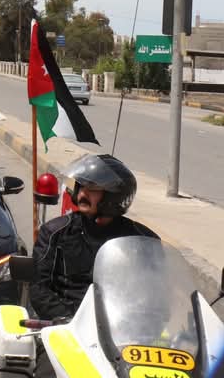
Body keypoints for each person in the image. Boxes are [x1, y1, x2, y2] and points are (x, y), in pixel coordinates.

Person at [30, 154, 157, 377]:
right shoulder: (55, 233)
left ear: (113, 197)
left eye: (92, 189)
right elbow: (39, 288)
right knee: (48, 373)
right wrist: (68, 319)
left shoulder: (143, 241)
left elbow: (158, 293)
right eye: (81, 186)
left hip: (126, 337)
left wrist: (146, 324)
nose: (82, 193)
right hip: (67, 330)